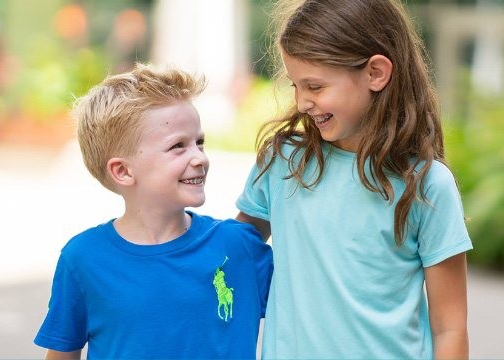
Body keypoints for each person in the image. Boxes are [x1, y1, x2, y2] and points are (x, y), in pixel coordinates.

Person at [236, 0, 472, 358]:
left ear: (376, 73)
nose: (301, 102)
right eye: (295, 85)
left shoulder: (427, 185)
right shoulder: (283, 161)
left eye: (314, 86)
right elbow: (233, 250)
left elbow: (450, 327)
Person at [34, 63, 273, 359]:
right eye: (178, 146)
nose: (199, 157)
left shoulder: (238, 247)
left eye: (200, 142)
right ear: (122, 171)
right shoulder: (83, 258)